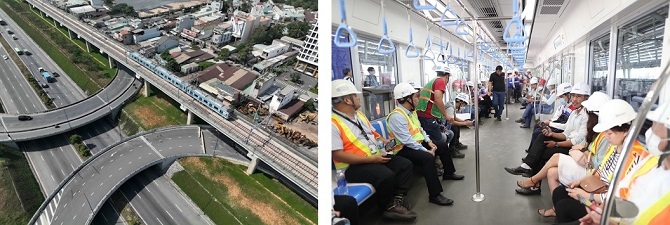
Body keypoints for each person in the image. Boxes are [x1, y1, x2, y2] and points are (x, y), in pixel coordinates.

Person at [330, 80, 417, 220]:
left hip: (373, 157)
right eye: (355, 96)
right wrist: (371, 159)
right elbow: (338, 155)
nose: (359, 98)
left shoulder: (360, 115)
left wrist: (383, 140)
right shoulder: (332, 123)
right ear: (347, 100)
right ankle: (387, 208)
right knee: (386, 176)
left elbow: (372, 133)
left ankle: (396, 199)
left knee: (405, 165)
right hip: (352, 167)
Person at [551, 99, 648, 223]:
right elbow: (601, 169)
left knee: (564, 207)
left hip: (608, 207)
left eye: (610, 133)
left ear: (625, 131)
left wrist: (587, 197)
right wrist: (580, 181)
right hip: (597, 196)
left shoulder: (634, 157)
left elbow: (619, 196)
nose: (606, 136)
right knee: (560, 192)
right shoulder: (614, 147)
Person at [578, 101, 670, 225]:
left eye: (655, 129)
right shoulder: (651, 162)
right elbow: (621, 191)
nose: (649, 133)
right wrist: (601, 212)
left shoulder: (638, 156)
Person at [504, 83, 592, 193]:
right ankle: (528, 169)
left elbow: (575, 141)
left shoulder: (586, 116)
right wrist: (552, 134)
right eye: (573, 95)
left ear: (586, 98)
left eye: (578, 96)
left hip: (574, 148)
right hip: (567, 141)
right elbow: (566, 133)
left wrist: (556, 144)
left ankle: (533, 182)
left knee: (543, 152)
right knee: (542, 136)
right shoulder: (574, 113)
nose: (574, 99)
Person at [386, 83, 464, 206]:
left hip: (417, 143)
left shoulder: (411, 112)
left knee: (442, 145)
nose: (418, 99)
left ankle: (448, 173)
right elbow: (407, 140)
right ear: (407, 99)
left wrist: (429, 141)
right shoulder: (397, 116)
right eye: (416, 97)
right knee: (428, 158)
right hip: (403, 149)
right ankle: (435, 195)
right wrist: (425, 150)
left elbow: (420, 129)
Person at [417, 64, 454, 143]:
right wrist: (446, 115)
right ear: (447, 76)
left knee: (446, 134)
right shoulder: (440, 81)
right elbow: (438, 99)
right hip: (427, 118)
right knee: (442, 139)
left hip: (423, 117)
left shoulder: (434, 81)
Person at [446, 93, 473, 158]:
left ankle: (456, 143)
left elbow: (454, 118)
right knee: (454, 127)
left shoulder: (453, 105)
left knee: (458, 125)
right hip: (443, 125)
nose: (463, 107)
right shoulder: (450, 107)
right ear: (460, 102)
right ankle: (451, 149)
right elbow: (451, 122)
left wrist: (464, 121)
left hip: (447, 123)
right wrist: (465, 124)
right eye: (464, 105)